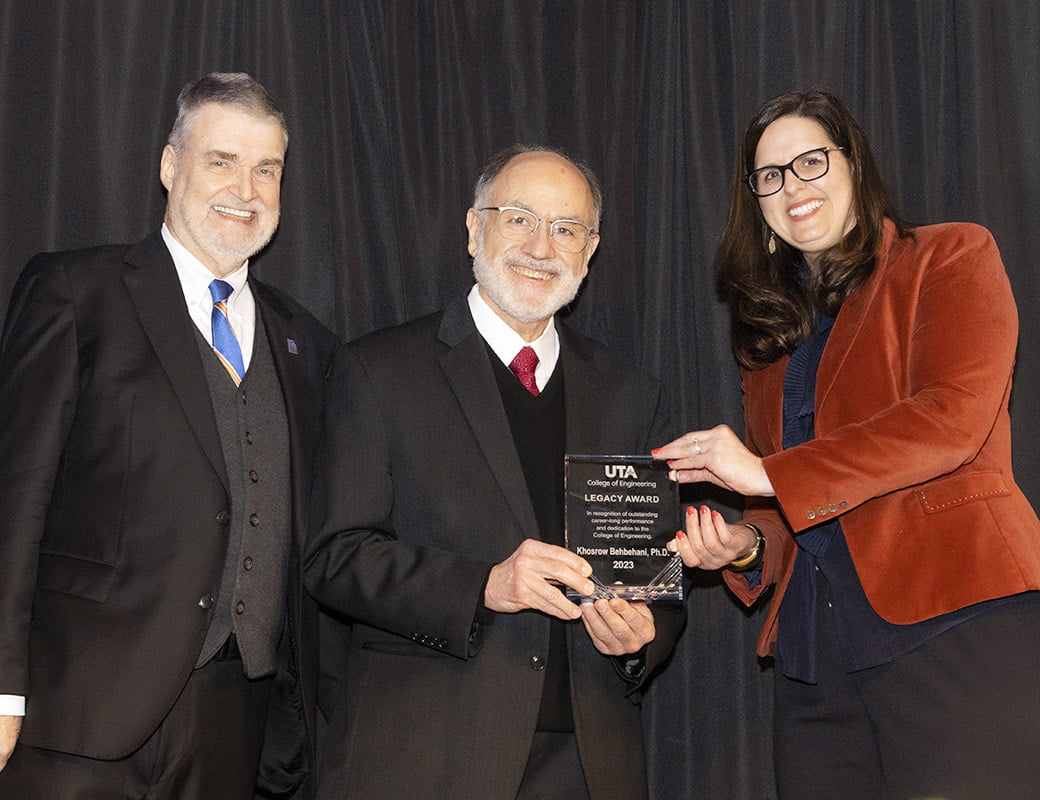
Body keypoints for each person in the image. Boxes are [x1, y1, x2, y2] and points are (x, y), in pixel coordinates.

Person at [653, 89, 1040, 799]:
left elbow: (952, 420)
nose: (792, 186)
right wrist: (740, 545)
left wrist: (765, 474)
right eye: (770, 176)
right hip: (814, 660)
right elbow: (792, 505)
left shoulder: (951, 254)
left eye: (810, 162)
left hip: (956, 622)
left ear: (853, 165)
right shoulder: (768, 340)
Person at [304, 144, 685, 799]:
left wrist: (642, 636)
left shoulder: (630, 395)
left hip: (590, 767)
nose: (542, 246)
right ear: (474, 228)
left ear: (589, 254)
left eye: (567, 230)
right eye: (519, 219)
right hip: (428, 758)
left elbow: (654, 573)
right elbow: (335, 559)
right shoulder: (379, 372)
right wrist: (484, 584)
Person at [0, 73, 336, 799]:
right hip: (72, 715)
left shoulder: (306, 343)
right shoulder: (73, 293)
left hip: (232, 725)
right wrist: (1, 690)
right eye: (221, 160)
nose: (245, 188)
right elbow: (13, 503)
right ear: (168, 166)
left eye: (266, 169)